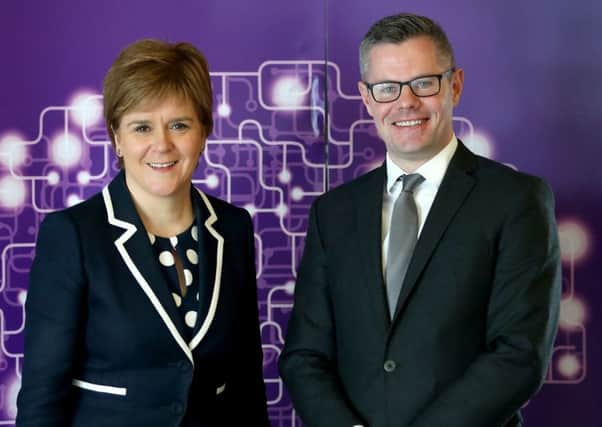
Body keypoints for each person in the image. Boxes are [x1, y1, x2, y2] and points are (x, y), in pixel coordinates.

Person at [279, 13, 561, 427]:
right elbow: (305, 355)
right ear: (367, 98)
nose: (405, 102)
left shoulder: (516, 200)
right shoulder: (334, 213)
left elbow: (519, 355)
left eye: (423, 83)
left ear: (455, 85)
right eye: (387, 88)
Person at [17, 39, 269, 427]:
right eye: (142, 127)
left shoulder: (234, 228)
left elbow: (246, 384)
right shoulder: (73, 235)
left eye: (179, 125)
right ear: (117, 137)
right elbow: (42, 397)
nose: (162, 144)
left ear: (204, 132)